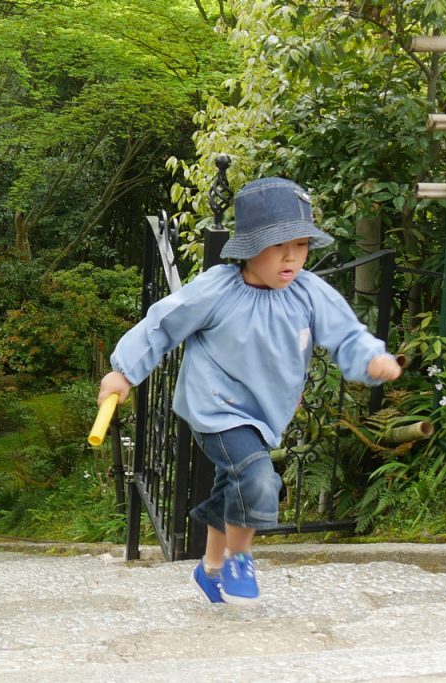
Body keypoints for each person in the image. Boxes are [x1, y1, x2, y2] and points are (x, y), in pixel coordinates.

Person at [98, 177, 402, 606]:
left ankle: (209, 571)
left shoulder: (309, 292)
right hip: (215, 408)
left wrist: (371, 359)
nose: (292, 257)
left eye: (301, 245)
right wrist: (123, 373)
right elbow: (161, 325)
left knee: (234, 486)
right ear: (249, 247)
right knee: (257, 478)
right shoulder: (217, 289)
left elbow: (347, 334)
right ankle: (239, 559)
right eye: (279, 246)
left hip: (264, 414)